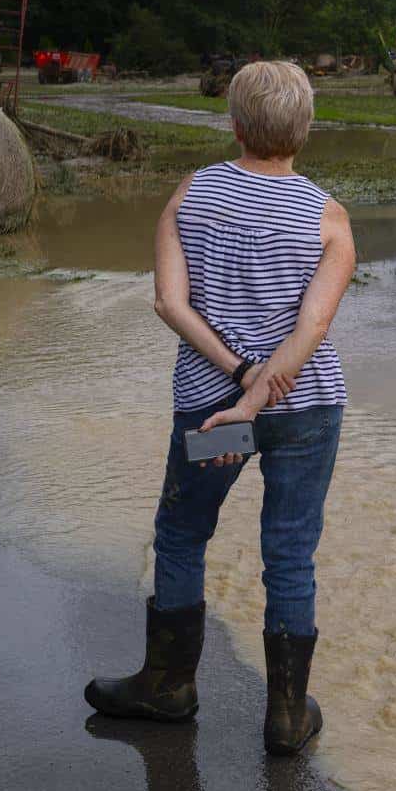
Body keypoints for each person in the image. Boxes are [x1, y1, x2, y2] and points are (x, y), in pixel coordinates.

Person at [85, 61, 356, 755]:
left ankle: (169, 688)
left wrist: (238, 388)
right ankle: (288, 719)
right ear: (305, 129)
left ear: (234, 124)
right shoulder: (328, 216)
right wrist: (261, 393)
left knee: (182, 535)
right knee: (289, 555)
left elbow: (170, 304)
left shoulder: (194, 193)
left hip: (212, 413)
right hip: (305, 409)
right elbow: (313, 330)